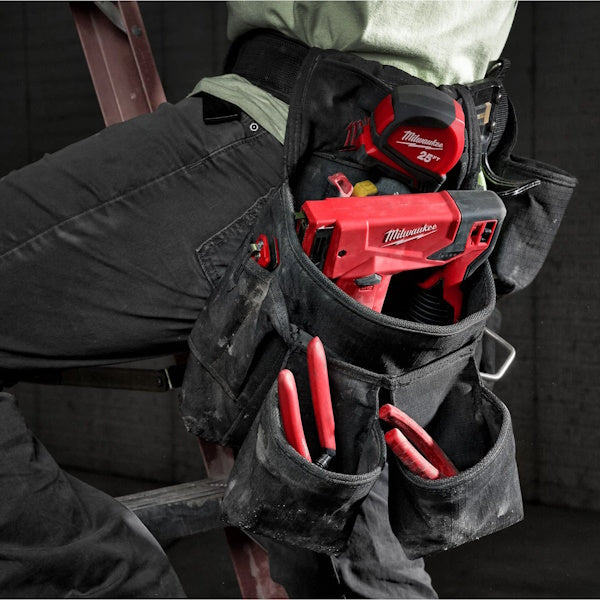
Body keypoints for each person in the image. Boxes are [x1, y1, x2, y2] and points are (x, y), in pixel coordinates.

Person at [0, 1, 518, 597]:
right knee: (344, 531)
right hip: (434, 174)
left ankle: (110, 581)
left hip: (301, 135)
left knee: (334, 486)